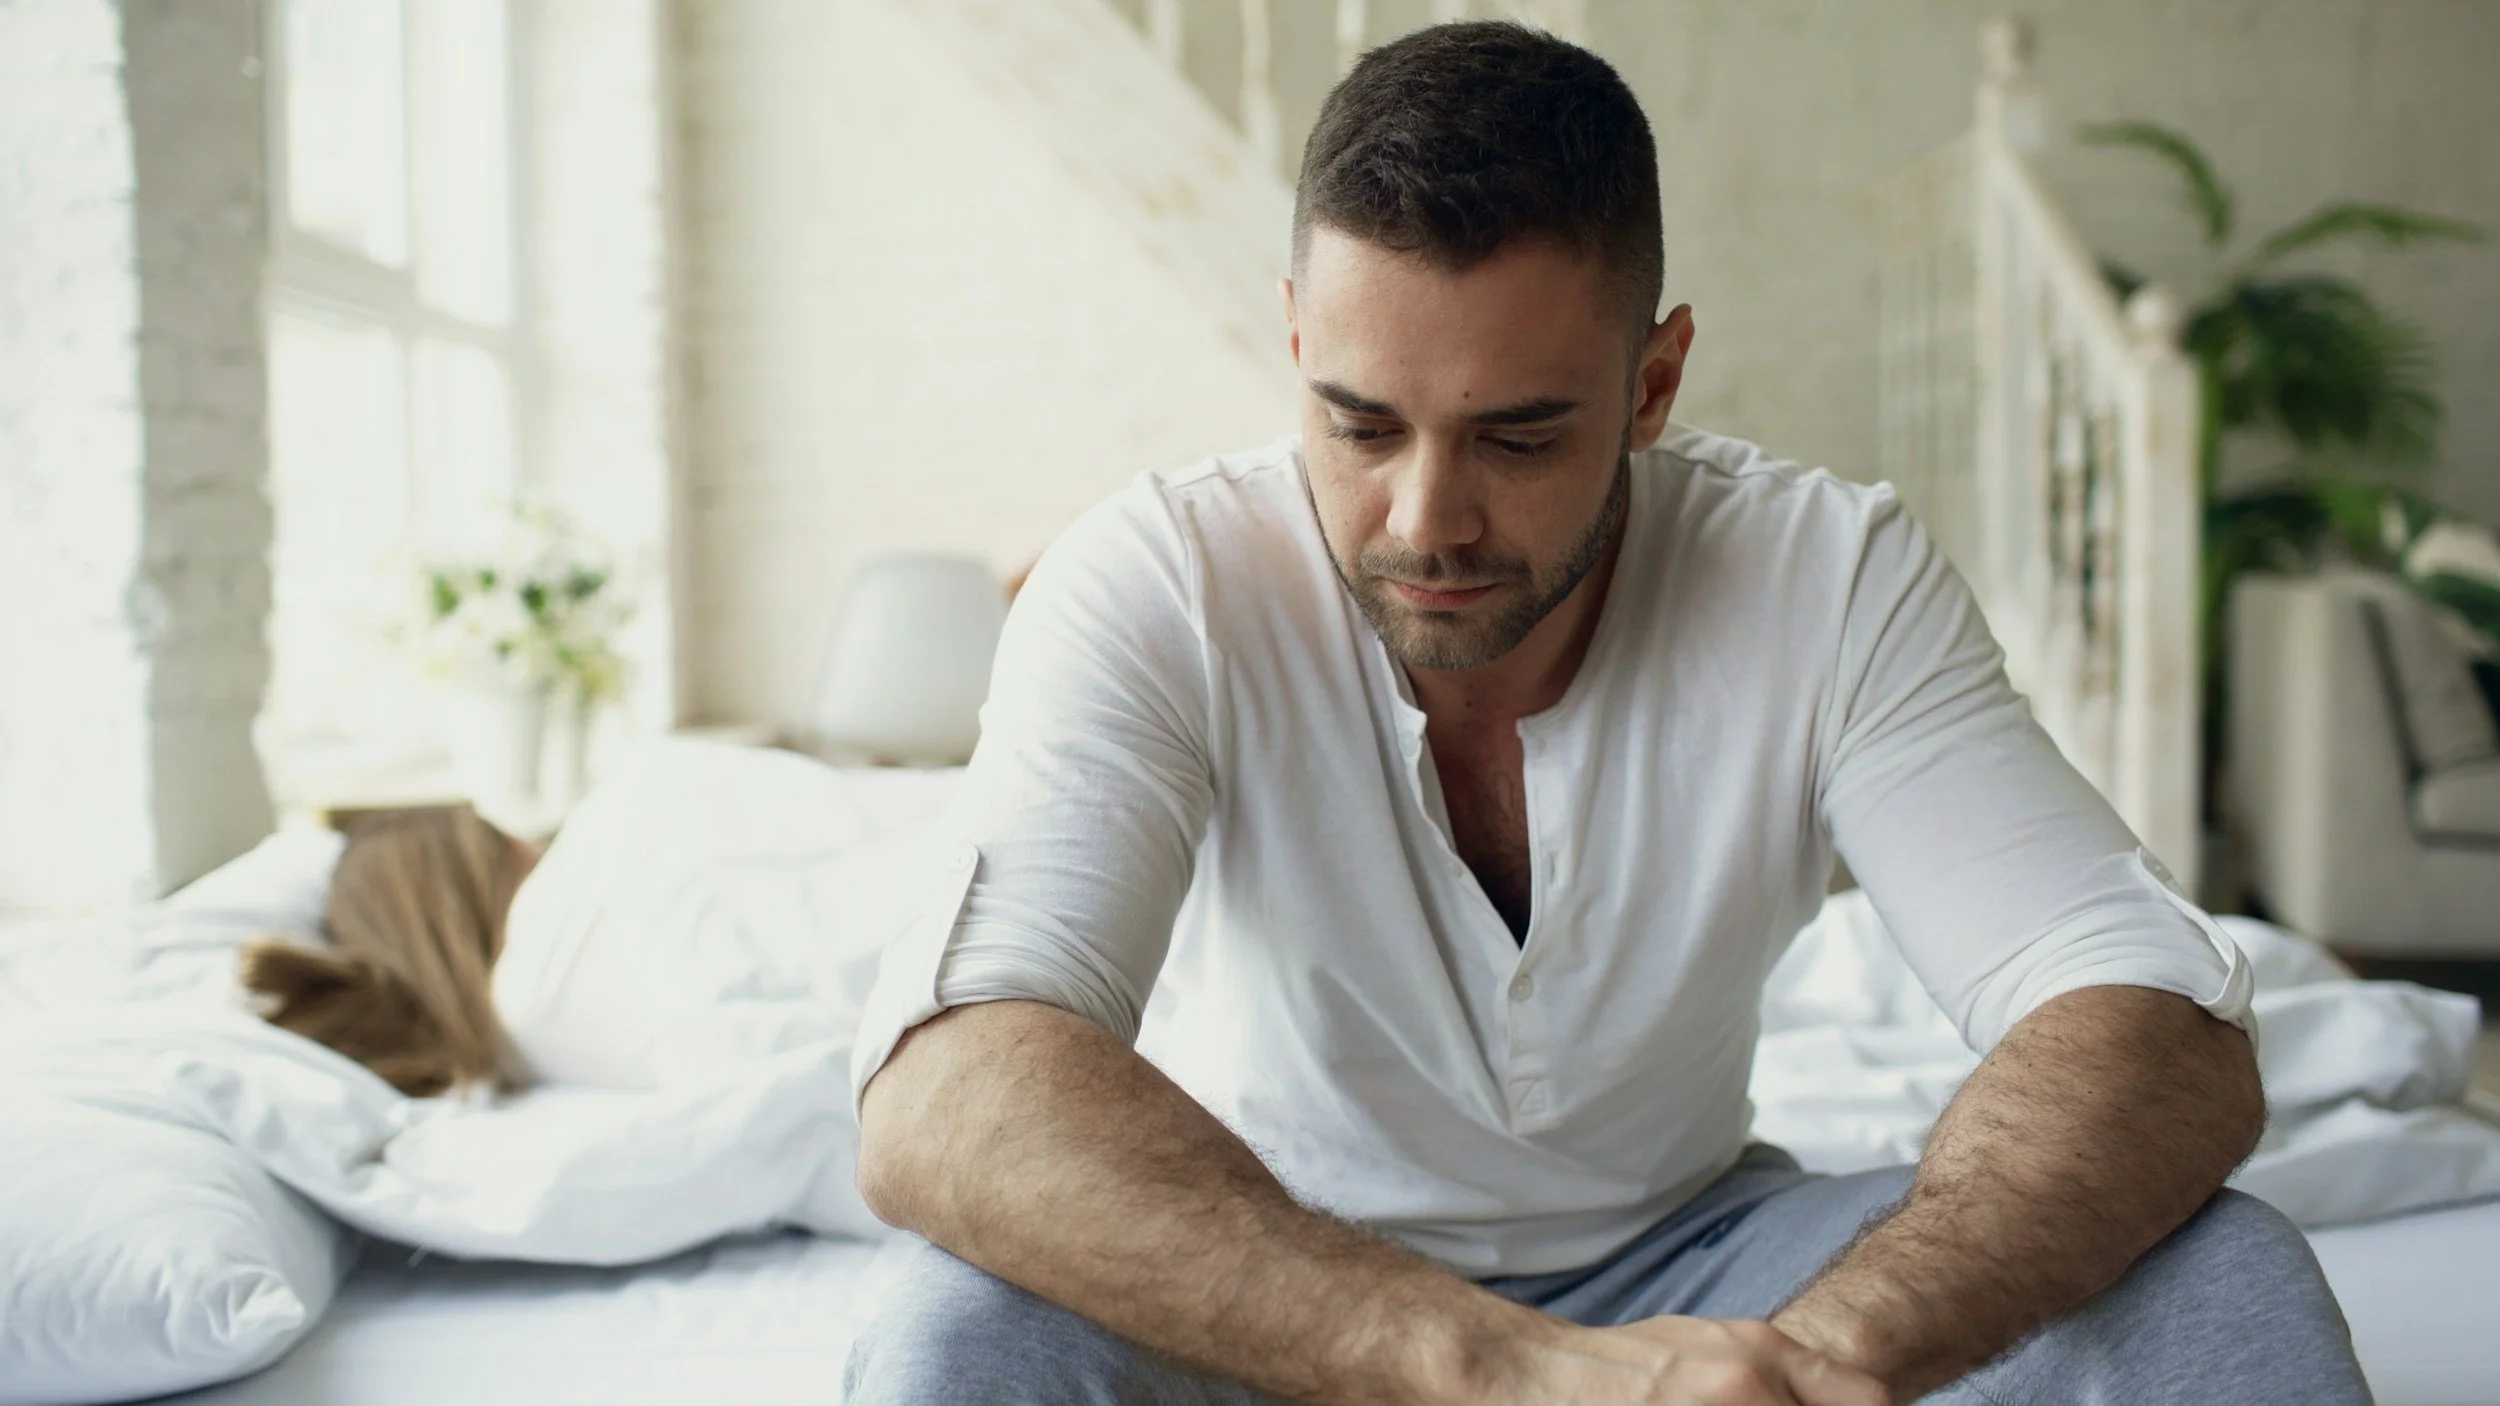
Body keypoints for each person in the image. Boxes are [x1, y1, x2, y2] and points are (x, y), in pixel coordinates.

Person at [844, 21, 2368, 1406]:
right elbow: (949, 1087)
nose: (1423, 521)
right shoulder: (1157, 579)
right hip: (1269, 1278)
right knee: (945, 1332)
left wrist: (1799, 1364)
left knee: (2221, 1272)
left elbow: (2154, 1027)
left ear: (1654, 384)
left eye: (1518, 433)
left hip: (1709, 1278)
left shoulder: (1825, 575)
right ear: (1296, 344)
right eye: (1360, 425)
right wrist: (1500, 1368)